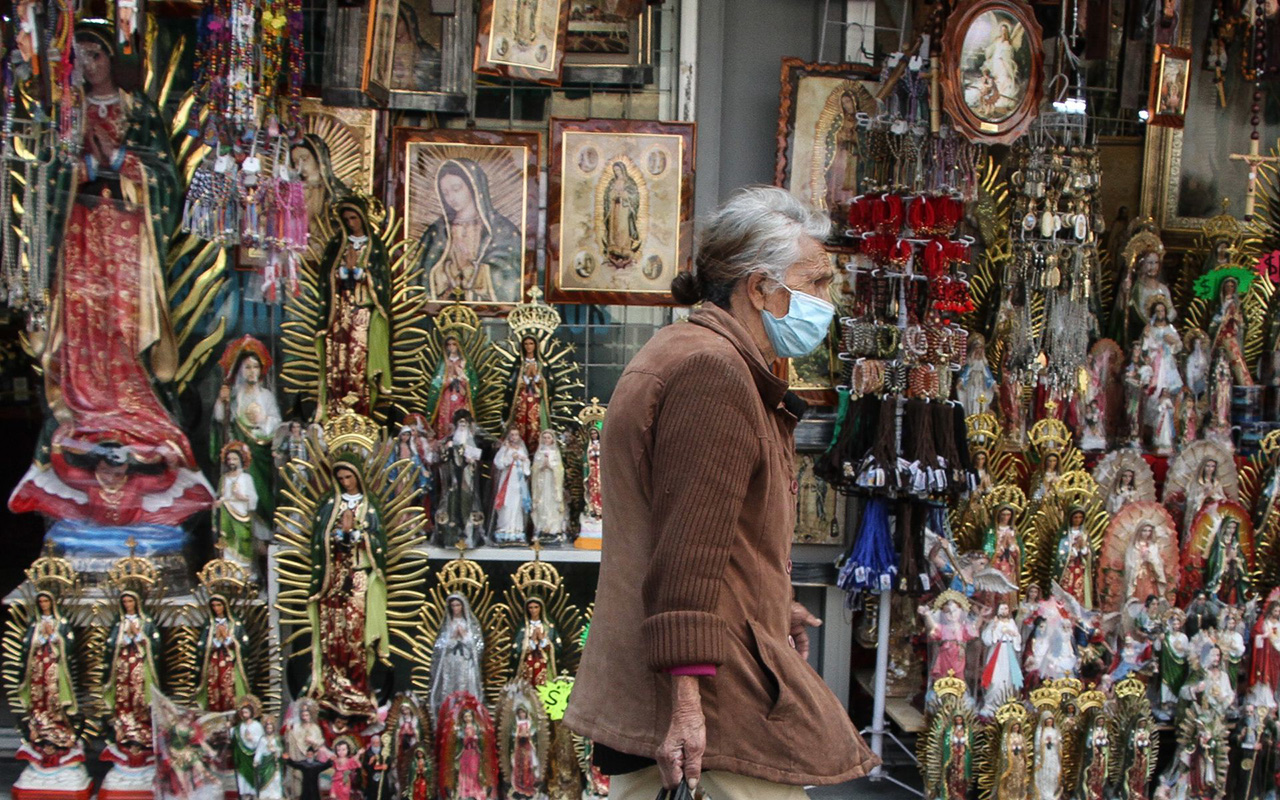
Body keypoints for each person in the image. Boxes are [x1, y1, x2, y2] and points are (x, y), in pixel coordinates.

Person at [564, 188, 878, 797]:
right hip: (709, 698)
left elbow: (714, 533)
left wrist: (768, 598)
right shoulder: (713, 371)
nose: (827, 303)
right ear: (759, 289)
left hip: (702, 675)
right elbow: (685, 556)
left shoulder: (692, 352)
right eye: (814, 282)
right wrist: (686, 702)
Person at [418, 159, 522, 304]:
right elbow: (421, 277)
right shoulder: (437, 231)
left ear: (474, 187)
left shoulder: (502, 230)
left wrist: (473, 271)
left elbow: (510, 276)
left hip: (489, 317)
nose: (451, 198)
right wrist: (448, 270)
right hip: (445, 314)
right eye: (445, 193)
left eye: (456, 189)